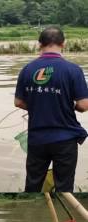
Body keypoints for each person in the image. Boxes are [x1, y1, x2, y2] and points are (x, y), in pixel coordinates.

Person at [14, 26, 88, 192]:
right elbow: (84, 105)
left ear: (39, 44)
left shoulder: (27, 70)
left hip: (36, 139)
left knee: (32, 185)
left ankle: (29, 215)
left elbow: (18, 102)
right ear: (63, 43)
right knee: (64, 188)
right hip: (65, 138)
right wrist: (70, 106)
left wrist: (36, 106)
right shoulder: (73, 70)